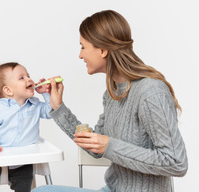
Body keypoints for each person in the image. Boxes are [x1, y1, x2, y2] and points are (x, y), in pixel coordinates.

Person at [32, 10, 188, 192]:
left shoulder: (151, 92)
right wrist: (58, 107)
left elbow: (176, 162)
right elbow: (95, 148)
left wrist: (110, 145)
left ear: (103, 50)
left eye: (83, 47)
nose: (80, 55)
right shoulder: (112, 92)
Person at [0, 62, 52, 192]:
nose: (29, 79)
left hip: (23, 159)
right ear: (8, 90)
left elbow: (50, 112)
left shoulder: (35, 105)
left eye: (28, 75)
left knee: (24, 185)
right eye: (22, 78)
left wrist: (46, 94)